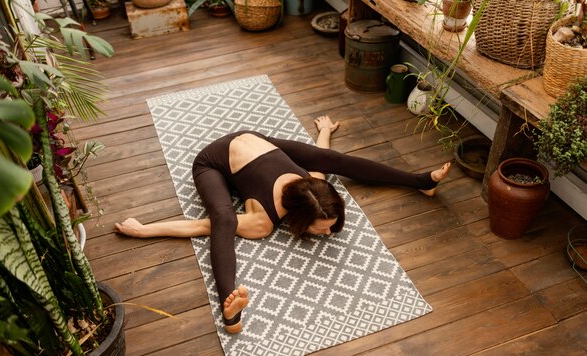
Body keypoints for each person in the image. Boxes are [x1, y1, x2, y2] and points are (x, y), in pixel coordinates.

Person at [115, 116, 451, 334]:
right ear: (299, 219)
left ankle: (420, 180)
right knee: (224, 218)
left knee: (329, 160)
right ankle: (229, 311)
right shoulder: (262, 221)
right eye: (322, 227)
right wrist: (145, 229)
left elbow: (321, 156)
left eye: (331, 227)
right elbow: (203, 226)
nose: (329, 233)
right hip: (215, 160)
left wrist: (323, 131)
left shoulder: (311, 184)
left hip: (255, 140)